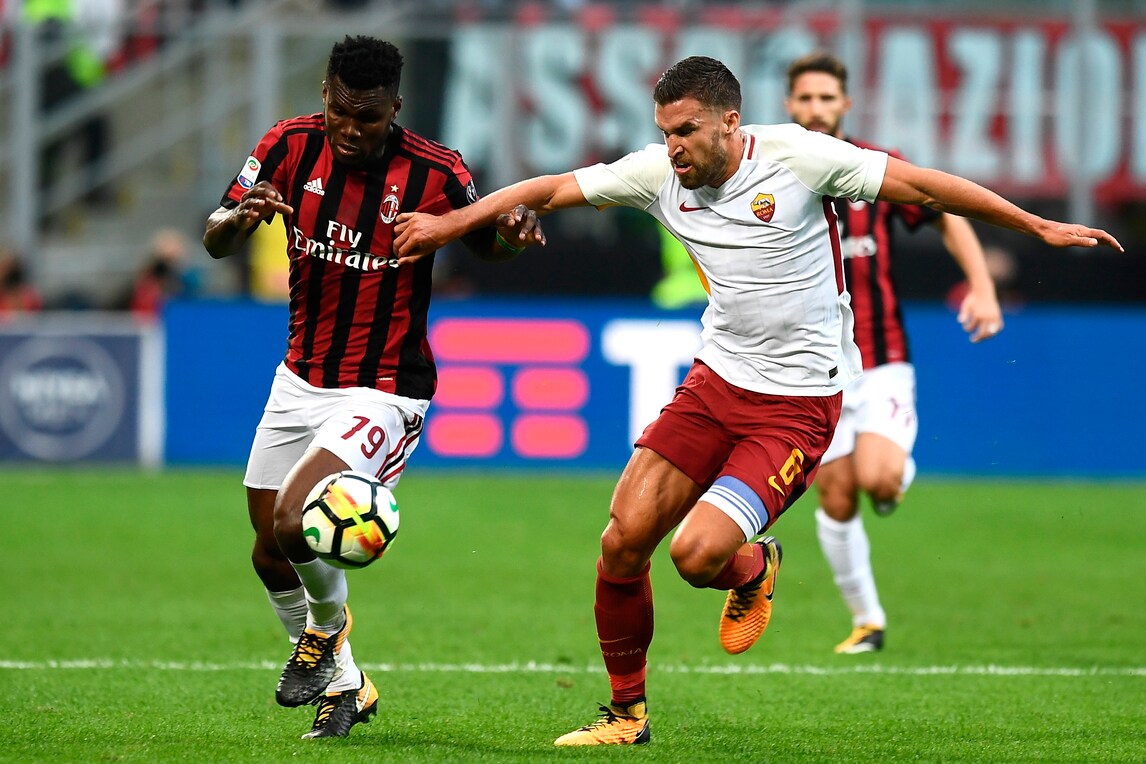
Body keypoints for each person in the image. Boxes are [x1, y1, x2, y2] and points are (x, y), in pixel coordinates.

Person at [393, 55, 1120, 747]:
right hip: (715, 383)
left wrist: (1036, 226)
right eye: (665, 131)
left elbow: (926, 188)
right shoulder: (656, 175)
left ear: (730, 122)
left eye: (686, 131)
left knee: (694, 556)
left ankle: (751, 568)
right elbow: (549, 189)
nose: (672, 147)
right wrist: (450, 226)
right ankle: (625, 713)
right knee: (621, 543)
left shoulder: (800, 158)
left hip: (798, 405)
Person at [202, 35, 542, 741]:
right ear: (325, 96)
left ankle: (324, 633)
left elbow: (486, 241)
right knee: (268, 551)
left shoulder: (437, 171)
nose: (351, 130)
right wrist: (237, 219)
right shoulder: (287, 145)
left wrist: (510, 234)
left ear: (395, 108)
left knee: (294, 519)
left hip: (385, 388)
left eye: (369, 117)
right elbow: (215, 234)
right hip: (299, 377)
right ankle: (347, 685)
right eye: (341, 113)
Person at [784, 51, 1003, 655]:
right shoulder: (770, 172)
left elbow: (945, 214)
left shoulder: (875, 169)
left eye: (826, 98)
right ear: (789, 104)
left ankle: (892, 476)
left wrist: (982, 286)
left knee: (877, 482)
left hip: (881, 359)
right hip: (816, 369)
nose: (816, 108)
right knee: (835, 494)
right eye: (806, 98)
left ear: (845, 104)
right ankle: (868, 621)